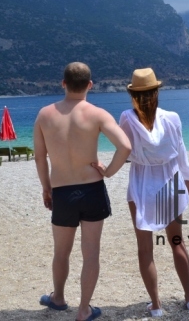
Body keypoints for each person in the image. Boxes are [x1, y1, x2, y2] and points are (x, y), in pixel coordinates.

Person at [34, 62, 131, 321]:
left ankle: (58, 297)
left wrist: (46, 187)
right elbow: (125, 146)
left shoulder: (45, 114)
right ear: (90, 85)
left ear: (63, 83)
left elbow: (40, 158)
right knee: (91, 253)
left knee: (61, 251)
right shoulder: (98, 114)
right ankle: (84, 309)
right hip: (92, 189)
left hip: (62, 191)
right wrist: (107, 171)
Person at [105, 67, 189, 317]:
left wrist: (106, 171)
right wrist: (188, 178)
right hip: (170, 182)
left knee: (145, 249)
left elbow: (123, 150)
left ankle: (156, 305)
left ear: (133, 94)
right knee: (177, 242)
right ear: (157, 91)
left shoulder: (127, 117)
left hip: (142, 184)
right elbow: (181, 150)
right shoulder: (173, 117)